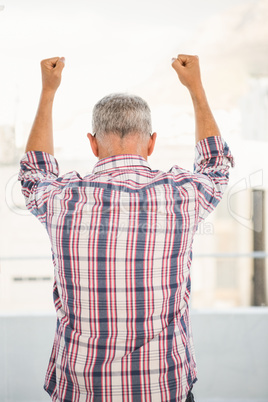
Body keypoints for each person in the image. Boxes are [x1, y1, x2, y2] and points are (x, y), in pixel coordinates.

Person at [19, 54, 233, 402]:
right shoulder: (182, 196)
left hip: (83, 389)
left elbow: (34, 172)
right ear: (151, 143)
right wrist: (195, 87)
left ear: (92, 144)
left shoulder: (61, 200)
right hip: (163, 387)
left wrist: (48, 91)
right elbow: (216, 165)